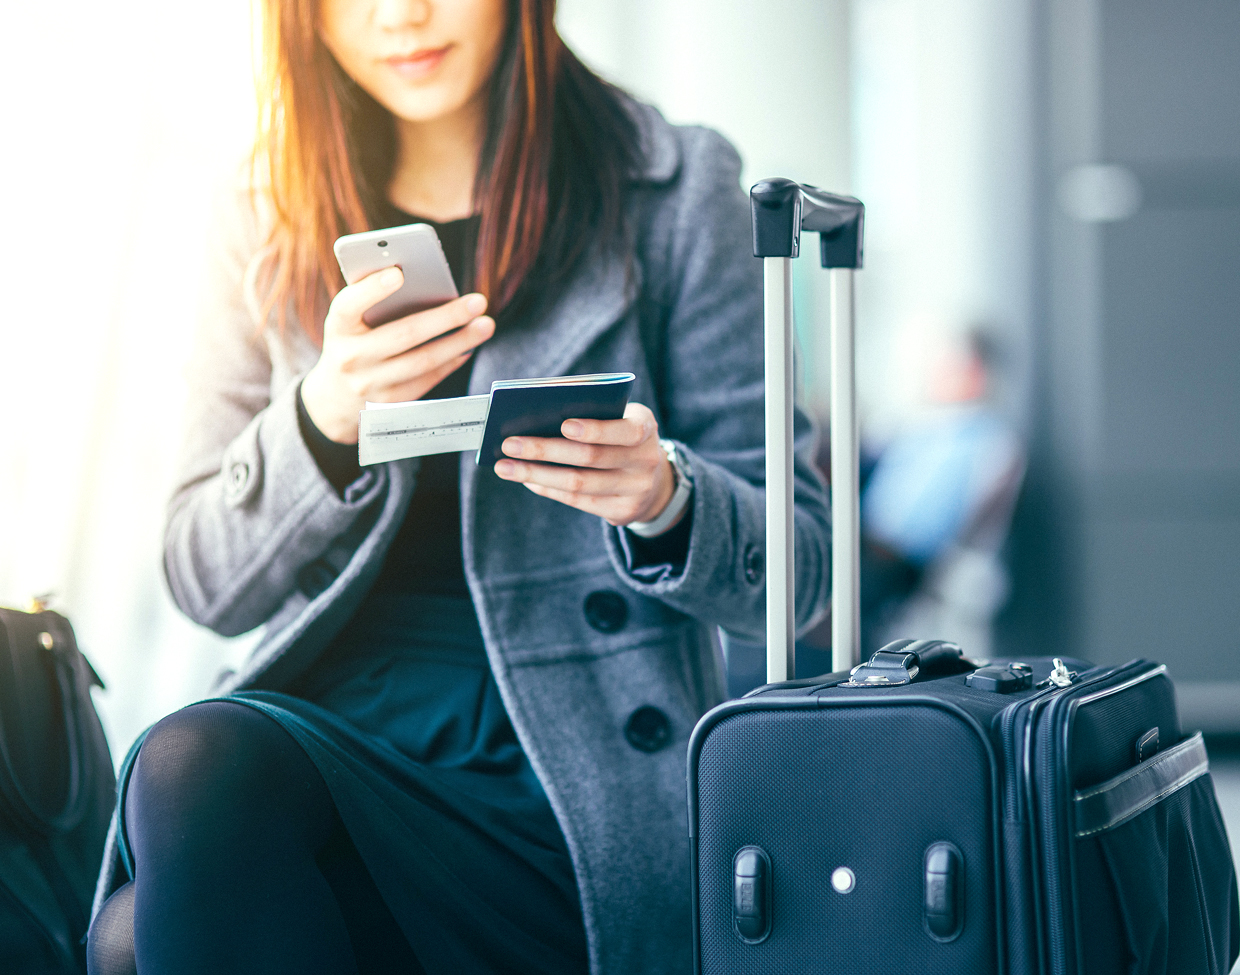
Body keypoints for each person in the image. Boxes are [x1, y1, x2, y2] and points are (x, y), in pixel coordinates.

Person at [86, 2, 831, 974]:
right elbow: (204, 581)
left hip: (574, 765)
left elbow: (803, 573)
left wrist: (664, 498)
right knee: (192, 761)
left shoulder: (677, 187)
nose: (402, 16)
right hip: (329, 723)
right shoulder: (265, 213)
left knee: (138, 936)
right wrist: (322, 418)